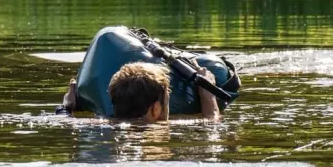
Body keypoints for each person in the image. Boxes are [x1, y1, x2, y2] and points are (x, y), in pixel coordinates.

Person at [57, 61, 222, 122]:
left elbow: (62, 120)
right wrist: (208, 93)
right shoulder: (160, 129)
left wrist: (67, 106)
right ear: (155, 109)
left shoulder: (96, 125)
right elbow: (212, 124)